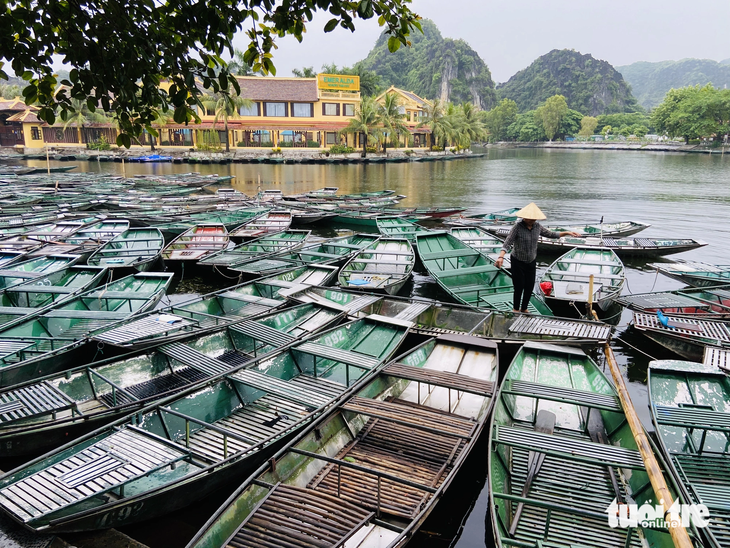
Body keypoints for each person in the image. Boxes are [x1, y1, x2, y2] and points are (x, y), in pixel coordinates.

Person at [494, 203, 580, 313]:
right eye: (529, 218)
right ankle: (516, 308)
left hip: (531, 260)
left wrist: (567, 233)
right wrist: (501, 257)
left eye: (533, 218)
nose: (531, 220)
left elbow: (552, 234)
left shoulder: (537, 227)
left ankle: (524, 308)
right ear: (524, 217)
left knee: (529, 286)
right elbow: (507, 242)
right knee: (519, 286)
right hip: (517, 260)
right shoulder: (517, 227)